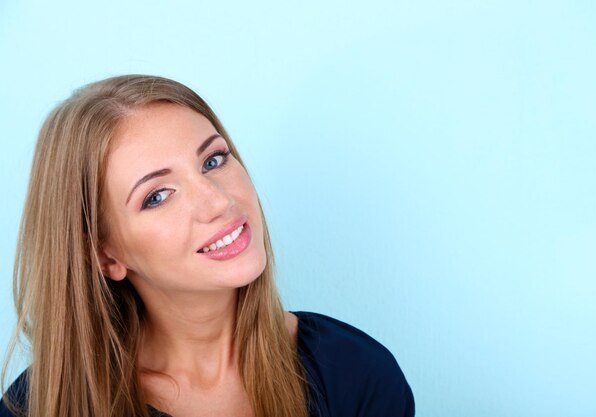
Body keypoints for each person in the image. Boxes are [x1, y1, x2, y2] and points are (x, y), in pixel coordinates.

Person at [0, 75, 414, 417]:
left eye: (213, 161)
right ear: (105, 255)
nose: (219, 200)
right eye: (158, 196)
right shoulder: (38, 406)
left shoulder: (355, 373)